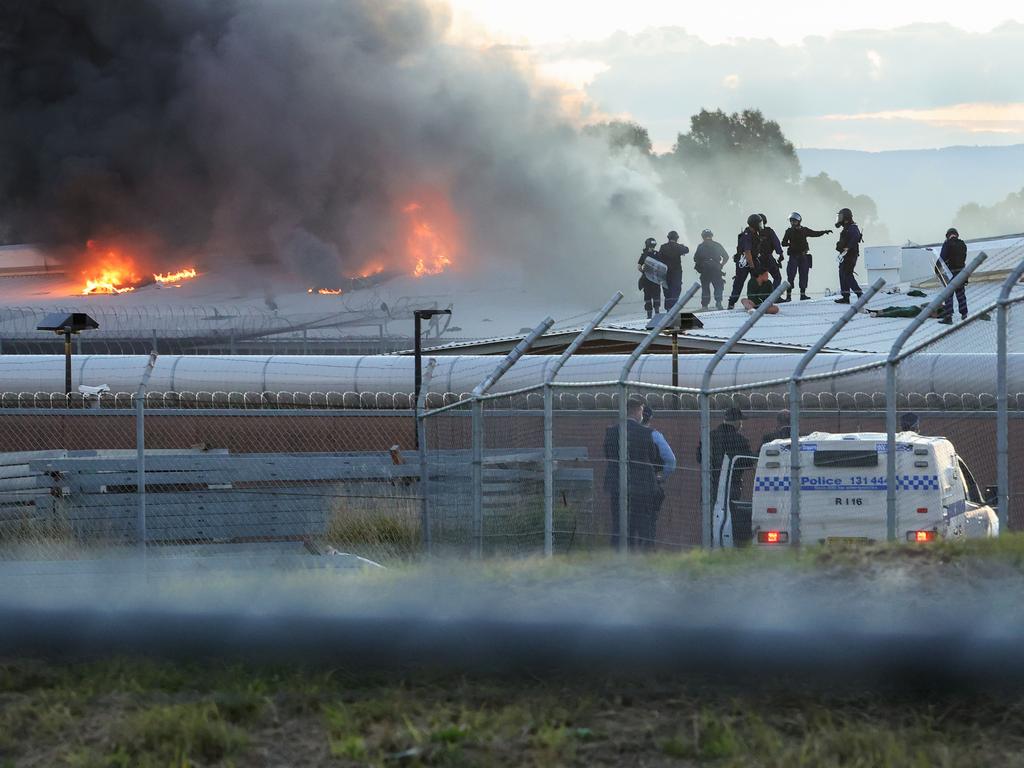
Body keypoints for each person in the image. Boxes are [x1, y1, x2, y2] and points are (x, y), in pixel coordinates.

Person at [603, 395, 664, 550]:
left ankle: (620, 557)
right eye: (642, 410)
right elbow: (653, 457)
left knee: (619, 524)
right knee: (644, 526)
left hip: (617, 485)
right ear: (637, 411)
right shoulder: (645, 433)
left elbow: (608, 455)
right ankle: (644, 558)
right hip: (642, 486)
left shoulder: (611, 432)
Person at [696, 407, 753, 543]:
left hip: (710, 483)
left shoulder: (710, 436)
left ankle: (710, 546)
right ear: (737, 422)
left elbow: (699, 458)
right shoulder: (740, 439)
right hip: (732, 485)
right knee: (730, 519)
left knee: (710, 520)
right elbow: (748, 462)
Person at [780, 212, 831, 302]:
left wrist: (824, 232)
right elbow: (783, 243)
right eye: (791, 221)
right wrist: (791, 244)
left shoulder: (804, 230)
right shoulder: (789, 231)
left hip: (803, 256)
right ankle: (788, 296)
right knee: (791, 275)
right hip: (793, 256)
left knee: (804, 275)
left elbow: (814, 233)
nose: (792, 223)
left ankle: (803, 295)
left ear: (799, 221)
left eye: (794, 221)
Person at [727, 214, 763, 309]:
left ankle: (753, 301)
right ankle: (731, 304)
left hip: (752, 260)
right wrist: (752, 267)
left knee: (755, 282)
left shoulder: (754, 234)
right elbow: (747, 252)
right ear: (754, 224)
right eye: (759, 224)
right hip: (744, 262)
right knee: (739, 283)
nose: (760, 225)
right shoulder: (747, 235)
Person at [693, 229, 729, 309]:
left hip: (705, 270)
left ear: (703, 236)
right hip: (716, 270)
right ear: (711, 236)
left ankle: (705, 306)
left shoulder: (700, 246)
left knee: (705, 288)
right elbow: (726, 257)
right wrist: (721, 265)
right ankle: (719, 303)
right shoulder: (717, 245)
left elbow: (695, 259)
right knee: (718, 286)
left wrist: (701, 265)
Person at [834, 207, 864, 304]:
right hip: (844, 255)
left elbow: (855, 237)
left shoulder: (853, 227)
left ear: (846, 217)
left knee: (847, 274)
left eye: (841, 216)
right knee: (842, 274)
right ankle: (845, 297)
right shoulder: (846, 227)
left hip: (850, 255)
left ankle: (860, 295)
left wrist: (848, 247)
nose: (839, 218)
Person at [939, 227, 968, 324]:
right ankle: (964, 314)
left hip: (950, 273)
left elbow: (941, 258)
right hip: (961, 273)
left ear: (948, 236)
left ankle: (948, 317)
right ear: (956, 234)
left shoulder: (947, 244)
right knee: (961, 294)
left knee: (948, 295)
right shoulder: (963, 244)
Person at [657, 230, 689, 308]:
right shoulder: (678, 246)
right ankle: (674, 307)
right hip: (676, 273)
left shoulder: (663, 247)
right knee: (676, 289)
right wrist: (681, 246)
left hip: (665, 272)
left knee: (667, 290)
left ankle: (668, 308)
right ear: (677, 238)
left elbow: (659, 258)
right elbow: (686, 250)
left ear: (668, 238)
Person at [637, 237, 662, 319]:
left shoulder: (644, 255)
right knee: (656, 296)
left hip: (646, 279)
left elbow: (639, 267)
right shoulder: (657, 254)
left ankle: (649, 316)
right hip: (655, 279)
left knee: (647, 296)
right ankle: (657, 313)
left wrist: (644, 272)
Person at [759, 213, 784, 289]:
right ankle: (773, 295)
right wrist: (780, 254)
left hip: (757, 260)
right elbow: (776, 243)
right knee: (777, 277)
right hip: (767, 258)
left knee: (760, 280)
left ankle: (763, 297)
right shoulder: (769, 231)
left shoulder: (751, 233)